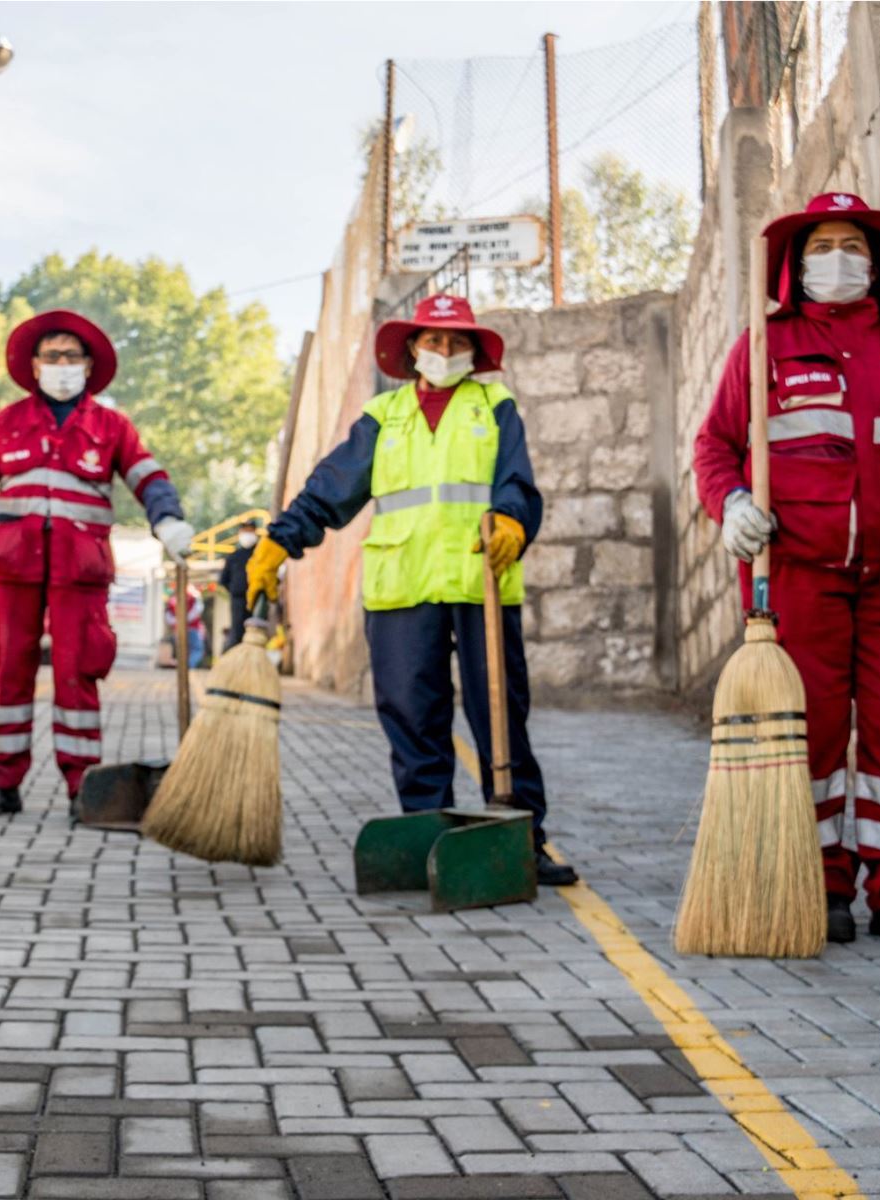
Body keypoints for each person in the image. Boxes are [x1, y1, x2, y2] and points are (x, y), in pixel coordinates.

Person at [693, 192, 880, 949]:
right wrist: (732, 504)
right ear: (795, 264)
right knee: (810, 731)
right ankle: (816, 885)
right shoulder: (763, 347)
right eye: (821, 247)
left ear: (878, 262)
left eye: (853, 244)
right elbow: (715, 446)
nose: (837, 259)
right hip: (800, 571)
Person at [247, 294, 577, 888]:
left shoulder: (494, 406)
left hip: (481, 583)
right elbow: (332, 489)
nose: (444, 352)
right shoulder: (384, 415)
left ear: (473, 353)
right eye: (433, 341)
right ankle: (426, 832)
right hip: (401, 588)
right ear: (412, 351)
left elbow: (518, 484)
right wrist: (280, 541)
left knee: (500, 715)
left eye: (456, 342)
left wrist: (510, 519)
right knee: (411, 716)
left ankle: (524, 836)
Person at [0, 310, 195, 817]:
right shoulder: (5, 424)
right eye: (53, 357)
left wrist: (169, 522)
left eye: (72, 356)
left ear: (89, 365)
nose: (62, 365)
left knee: (77, 673)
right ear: (35, 364)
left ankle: (83, 786)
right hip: (10, 569)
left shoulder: (112, 426)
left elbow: (150, 480)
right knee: (8, 675)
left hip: (81, 571)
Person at [218, 518, 261, 652]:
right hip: (238, 599)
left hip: (257, 599)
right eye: (244, 531)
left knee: (256, 632)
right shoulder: (233, 556)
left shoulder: (260, 554)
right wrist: (235, 591)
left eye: (250, 531)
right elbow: (223, 580)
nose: (247, 534)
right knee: (237, 631)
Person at [164, 577, 205, 669]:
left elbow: (168, 617)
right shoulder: (192, 597)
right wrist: (185, 620)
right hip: (192, 627)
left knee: (183, 650)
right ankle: (188, 666)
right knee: (197, 650)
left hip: (178, 628)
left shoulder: (172, 600)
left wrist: (178, 621)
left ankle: (184, 666)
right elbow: (198, 609)